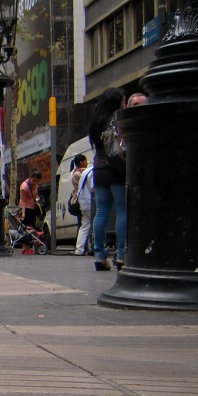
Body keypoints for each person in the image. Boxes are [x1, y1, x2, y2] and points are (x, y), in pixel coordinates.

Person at [89, 87, 127, 271]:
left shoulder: (96, 121)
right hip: (117, 170)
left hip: (99, 170)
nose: (125, 104)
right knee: (121, 210)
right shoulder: (117, 120)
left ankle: (99, 255)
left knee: (101, 212)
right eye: (123, 101)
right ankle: (121, 254)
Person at [74, 163, 95, 257]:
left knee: (85, 225)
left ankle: (79, 249)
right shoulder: (94, 172)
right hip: (90, 202)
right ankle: (95, 246)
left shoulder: (86, 171)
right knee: (94, 224)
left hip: (83, 202)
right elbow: (93, 188)